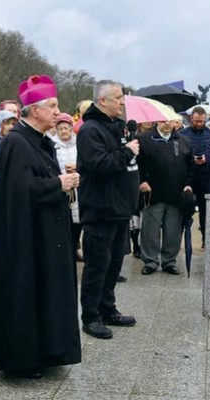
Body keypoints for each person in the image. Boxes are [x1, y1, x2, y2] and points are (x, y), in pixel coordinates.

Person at [0, 75, 81, 378]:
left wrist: (63, 182)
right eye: (52, 105)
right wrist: (57, 184)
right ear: (34, 109)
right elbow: (17, 192)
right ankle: (23, 359)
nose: (57, 111)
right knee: (27, 293)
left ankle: (49, 351)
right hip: (26, 240)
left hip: (45, 236)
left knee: (47, 293)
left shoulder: (40, 142)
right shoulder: (16, 143)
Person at [77, 80, 139, 340]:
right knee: (97, 266)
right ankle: (91, 316)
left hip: (120, 208)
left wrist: (129, 150)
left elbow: (125, 163)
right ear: (102, 101)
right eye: (117, 98)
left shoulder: (118, 127)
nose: (122, 102)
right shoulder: (89, 130)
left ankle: (107, 308)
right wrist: (126, 152)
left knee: (114, 264)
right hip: (100, 209)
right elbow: (98, 164)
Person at [137, 119, 193, 275]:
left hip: (176, 193)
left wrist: (189, 184)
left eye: (170, 121)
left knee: (173, 230)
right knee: (150, 230)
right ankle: (150, 260)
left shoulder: (184, 141)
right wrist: (141, 181)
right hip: (152, 193)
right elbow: (137, 164)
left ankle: (169, 260)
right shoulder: (144, 139)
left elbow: (191, 168)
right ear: (157, 121)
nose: (167, 124)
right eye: (163, 121)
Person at [181, 106, 210, 249]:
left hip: (205, 175)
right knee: (184, 207)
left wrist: (206, 158)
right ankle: (182, 239)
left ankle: (206, 239)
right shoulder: (183, 134)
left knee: (205, 209)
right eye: (197, 121)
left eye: (202, 121)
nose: (199, 124)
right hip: (188, 175)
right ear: (191, 119)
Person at [51, 112, 83, 261]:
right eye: (61, 128)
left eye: (67, 128)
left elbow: (84, 162)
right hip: (61, 186)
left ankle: (75, 246)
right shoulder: (52, 144)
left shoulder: (79, 143)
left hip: (77, 185)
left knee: (77, 221)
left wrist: (77, 168)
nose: (64, 131)